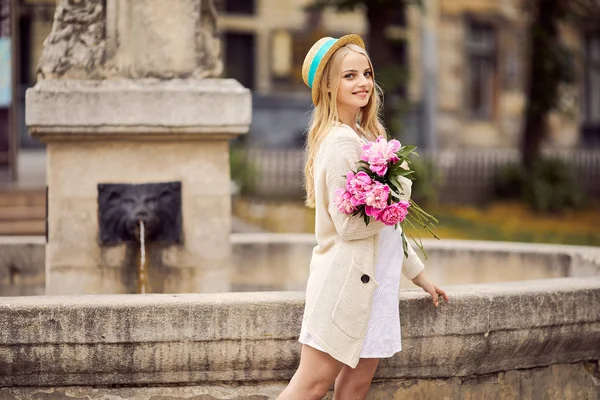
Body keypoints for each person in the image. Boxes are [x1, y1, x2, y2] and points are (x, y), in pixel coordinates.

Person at [276, 34, 449, 400]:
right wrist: (397, 192)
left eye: (367, 73)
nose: (363, 83)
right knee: (310, 387)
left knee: (355, 387)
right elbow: (351, 226)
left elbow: (390, 230)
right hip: (346, 286)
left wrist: (418, 276)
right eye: (349, 76)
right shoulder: (340, 143)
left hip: (378, 286)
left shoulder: (367, 136)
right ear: (328, 86)